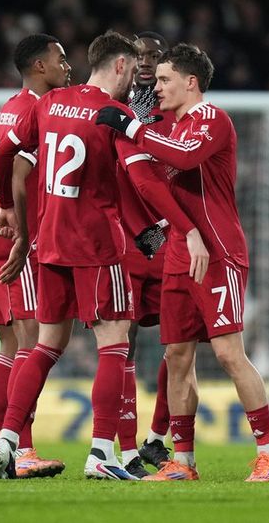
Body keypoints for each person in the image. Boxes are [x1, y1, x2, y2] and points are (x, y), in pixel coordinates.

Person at [0, 31, 207, 481]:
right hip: (96, 244)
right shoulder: (115, 115)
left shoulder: (50, 103)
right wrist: (173, 229)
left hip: (48, 243)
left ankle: (5, 442)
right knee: (114, 344)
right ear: (122, 66)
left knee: (46, 345)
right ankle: (102, 453)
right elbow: (143, 182)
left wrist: (8, 207)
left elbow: (4, 150)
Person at [96, 43, 269, 482]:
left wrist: (130, 126)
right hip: (182, 252)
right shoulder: (175, 127)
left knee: (227, 353)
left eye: (164, 80)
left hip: (218, 250)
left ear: (191, 82)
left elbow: (182, 158)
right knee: (177, 355)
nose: (155, 87)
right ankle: (182, 460)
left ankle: (268, 450)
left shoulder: (211, 119)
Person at [0, 33, 70, 479]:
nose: (68, 65)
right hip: (12, 236)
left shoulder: (11, 105)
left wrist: (1, 200)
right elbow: (7, 160)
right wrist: (12, 209)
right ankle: (20, 451)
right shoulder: (35, 110)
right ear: (40, 67)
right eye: (61, 59)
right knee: (31, 343)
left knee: (10, 348)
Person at [115, 30, 177, 478]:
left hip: (168, 236)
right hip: (127, 241)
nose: (144, 62)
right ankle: (124, 445)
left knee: (180, 341)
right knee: (125, 344)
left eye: (153, 56)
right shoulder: (112, 107)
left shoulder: (170, 107)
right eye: (138, 54)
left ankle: (156, 438)